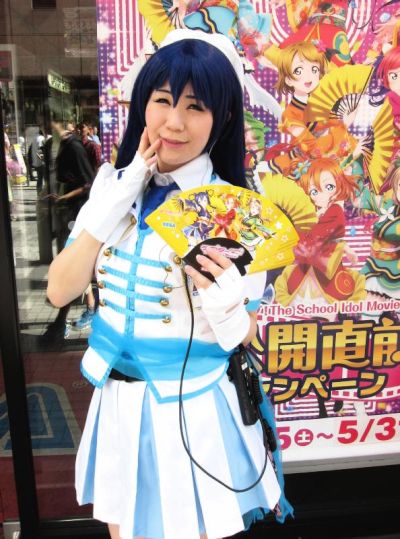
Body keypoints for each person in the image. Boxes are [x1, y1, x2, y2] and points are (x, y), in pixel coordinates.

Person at [47, 29, 291, 539]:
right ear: (143, 103)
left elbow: (243, 336)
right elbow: (59, 291)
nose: (174, 122)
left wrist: (227, 306)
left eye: (195, 107)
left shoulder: (234, 211)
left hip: (194, 408)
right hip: (117, 403)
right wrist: (124, 189)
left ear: (223, 118)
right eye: (162, 100)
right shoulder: (113, 188)